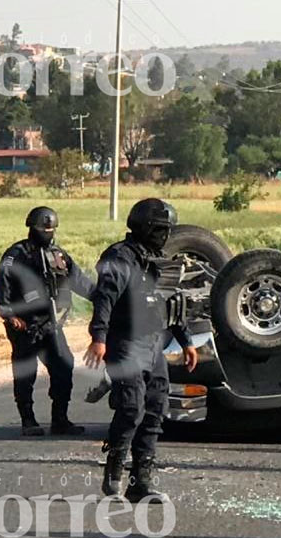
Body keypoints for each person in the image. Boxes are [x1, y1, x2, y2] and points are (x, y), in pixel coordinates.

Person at [84, 198, 198, 503]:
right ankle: (114, 475)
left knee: (155, 411)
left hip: (153, 344)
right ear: (147, 227)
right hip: (124, 342)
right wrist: (99, 337)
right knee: (130, 408)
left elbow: (172, 302)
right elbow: (104, 298)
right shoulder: (120, 258)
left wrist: (185, 340)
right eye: (161, 229)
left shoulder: (161, 260)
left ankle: (141, 482)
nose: (165, 235)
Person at [0, 206, 95, 436]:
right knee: (25, 373)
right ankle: (28, 420)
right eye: (43, 228)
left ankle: (60, 419)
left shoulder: (58, 255)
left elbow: (79, 281)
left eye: (51, 229)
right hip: (25, 325)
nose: (48, 232)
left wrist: (103, 298)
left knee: (64, 366)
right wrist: (9, 315)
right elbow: (2, 285)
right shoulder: (16, 255)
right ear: (32, 228)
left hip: (51, 324)